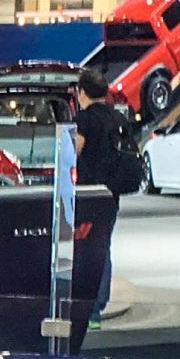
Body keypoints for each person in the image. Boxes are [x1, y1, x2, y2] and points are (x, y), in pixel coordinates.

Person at [72, 66, 143, 309]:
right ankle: (99, 305)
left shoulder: (85, 118)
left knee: (87, 248)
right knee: (104, 245)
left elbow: (75, 152)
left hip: (89, 193)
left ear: (82, 93)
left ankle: (88, 306)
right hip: (111, 193)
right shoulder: (118, 117)